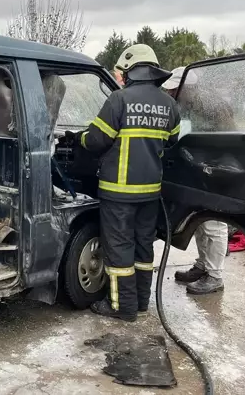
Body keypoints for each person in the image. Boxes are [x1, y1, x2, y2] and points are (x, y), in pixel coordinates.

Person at [71, 44, 180, 322]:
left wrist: (78, 139)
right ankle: (141, 303)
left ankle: (122, 307)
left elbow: (96, 140)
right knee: (143, 248)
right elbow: (173, 143)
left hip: (118, 193)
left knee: (119, 249)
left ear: (130, 70)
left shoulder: (120, 100)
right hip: (150, 193)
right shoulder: (169, 104)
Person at [162, 67, 228, 295]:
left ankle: (215, 275)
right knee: (200, 220)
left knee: (214, 223)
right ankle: (203, 265)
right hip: (197, 168)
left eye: (174, 90)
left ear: (187, 88)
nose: (170, 94)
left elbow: (221, 139)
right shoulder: (187, 104)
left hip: (214, 168)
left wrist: (209, 166)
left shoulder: (211, 106)